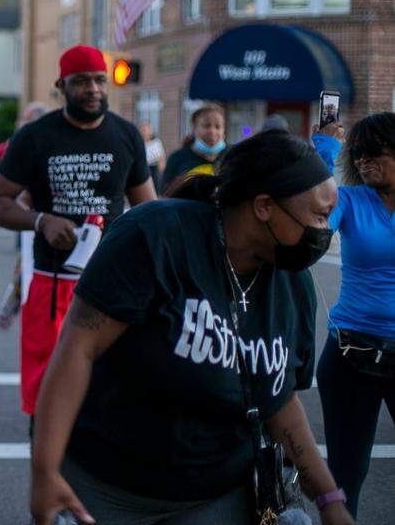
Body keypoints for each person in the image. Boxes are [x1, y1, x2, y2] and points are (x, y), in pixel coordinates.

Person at [29, 131, 353, 525]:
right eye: (319, 216)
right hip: (105, 486)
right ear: (264, 206)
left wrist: (329, 498)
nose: (326, 230)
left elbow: (279, 401)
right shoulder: (156, 235)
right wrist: (45, 470)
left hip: (214, 495)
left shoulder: (294, 282)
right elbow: (79, 347)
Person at [0, 45, 156, 422]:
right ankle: (48, 464)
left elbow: (148, 212)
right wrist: (41, 220)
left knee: (108, 388)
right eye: (81, 82)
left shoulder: (126, 136)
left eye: (98, 80)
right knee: (48, 394)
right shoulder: (35, 137)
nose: (92, 89)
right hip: (52, 280)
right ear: (62, 85)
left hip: (111, 281)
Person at [312, 113, 395, 517]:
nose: (362, 160)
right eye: (357, 153)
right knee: (346, 474)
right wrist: (325, 150)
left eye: (374, 151)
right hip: (351, 354)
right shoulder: (349, 200)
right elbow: (313, 221)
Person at [162, 103, 226, 192]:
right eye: (206, 126)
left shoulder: (233, 155)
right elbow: (164, 194)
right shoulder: (177, 158)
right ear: (194, 128)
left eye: (218, 127)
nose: (212, 131)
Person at [139, 120, 166, 193]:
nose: (145, 132)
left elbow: (161, 158)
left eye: (146, 130)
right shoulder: (138, 143)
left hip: (154, 169)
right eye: (143, 130)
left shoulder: (156, 143)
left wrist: (162, 173)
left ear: (150, 131)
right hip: (142, 168)